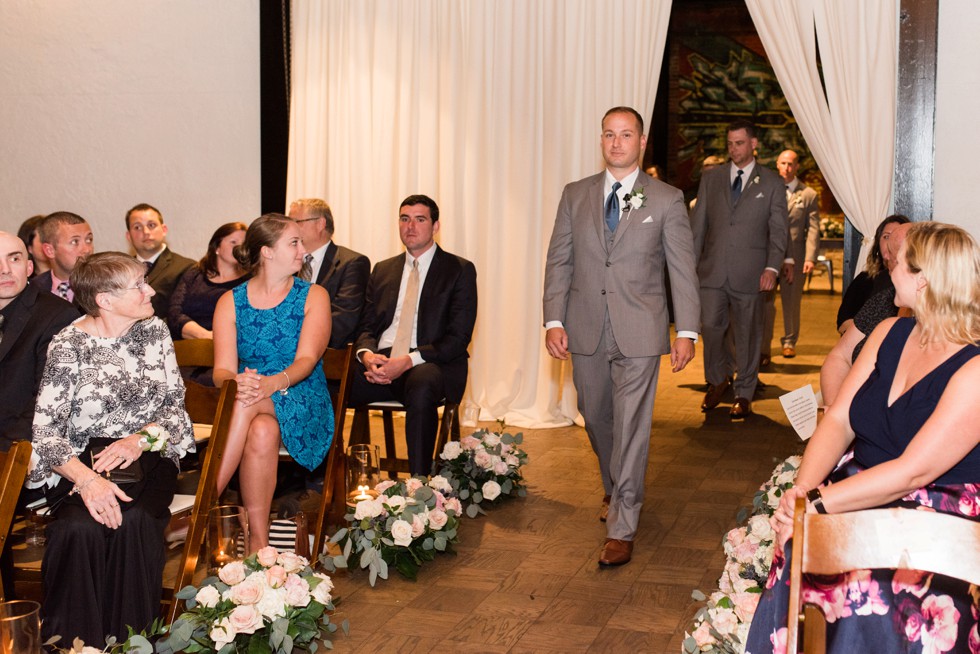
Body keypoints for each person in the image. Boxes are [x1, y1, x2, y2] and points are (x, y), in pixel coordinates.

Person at [745, 222, 980, 653]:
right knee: (794, 554)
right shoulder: (889, 332)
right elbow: (837, 421)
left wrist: (815, 507)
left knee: (863, 591)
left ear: (923, 278)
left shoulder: (975, 369)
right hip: (858, 487)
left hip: (932, 515)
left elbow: (914, 471)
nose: (889, 266)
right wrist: (800, 493)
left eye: (899, 262)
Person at [543, 107, 700, 567]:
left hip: (641, 329)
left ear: (641, 141)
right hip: (585, 325)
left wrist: (686, 331)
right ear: (601, 139)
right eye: (609, 135)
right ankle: (615, 486)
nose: (616, 143)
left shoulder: (667, 200)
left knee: (633, 425)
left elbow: (681, 269)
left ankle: (623, 525)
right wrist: (554, 319)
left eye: (625, 134)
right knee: (595, 414)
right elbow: (560, 261)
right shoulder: (576, 195)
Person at [27, 252, 195, 644]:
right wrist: (87, 481)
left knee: (134, 524)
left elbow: (175, 410)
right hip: (83, 462)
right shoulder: (67, 344)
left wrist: (140, 439)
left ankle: (133, 645)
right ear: (104, 299)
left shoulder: (154, 332)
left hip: (149, 455)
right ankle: (74, 648)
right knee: (76, 530)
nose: (149, 290)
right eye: (138, 284)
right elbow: (46, 431)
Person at [212, 214, 334, 552]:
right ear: (266, 252)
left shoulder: (314, 296)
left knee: (243, 401)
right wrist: (238, 381)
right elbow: (221, 370)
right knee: (261, 429)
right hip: (252, 395)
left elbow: (307, 362)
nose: (303, 250)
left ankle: (205, 498)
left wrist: (269, 384)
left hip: (300, 393)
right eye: (294, 243)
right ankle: (258, 542)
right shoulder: (229, 302)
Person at [351, 194, 477, 477]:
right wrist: (367, 355)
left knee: (422, 384)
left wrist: (407, 361)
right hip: (381, 361)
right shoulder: (383, 269)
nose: (411, 226)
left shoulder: (459, 270)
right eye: (404, 219)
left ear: (435, 226)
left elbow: (457, 338)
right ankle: (320, 481)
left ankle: (418, 487)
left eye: (420, 219)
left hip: (431, 363)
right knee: (326, 380)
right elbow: (367, 325)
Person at [691, 119, 788, 418]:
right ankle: (718, 380)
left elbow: (778, 230)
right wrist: (689, 269)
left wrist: (772, 267)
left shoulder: (771, 182)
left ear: (754, 144)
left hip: (751, 273)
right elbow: (699, 226)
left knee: (748, 334)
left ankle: (744, 391)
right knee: (710, 326)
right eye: (730, 143)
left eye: (740, 143)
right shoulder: (712, 178)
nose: (734, 149)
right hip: (713, 271)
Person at [0, 231, 79, 449]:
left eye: (14, 259)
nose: (5, 270)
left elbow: (45, 403)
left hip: (20, 450)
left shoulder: (57, 315)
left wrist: (5, 453)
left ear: (29, 267)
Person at [820, 222, 913, 406]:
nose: (887, 261)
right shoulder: (883, 302)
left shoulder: (943, 335)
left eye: (896, 259)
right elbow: (839, 357)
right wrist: (834, 410)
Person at [287, 198, 370, 349]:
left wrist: (297, 343)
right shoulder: (286, 262)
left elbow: (344, 319)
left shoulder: (352, 263)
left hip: (328, 353)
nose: (289, 229)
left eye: (296, 222)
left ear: (320, 224)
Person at [761, 150, 820, 360]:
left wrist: (810, 258)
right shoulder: (766, 190)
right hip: (768, 256)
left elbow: (813, 229)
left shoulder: (808, 194)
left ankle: (789, 341)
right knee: (765, 303)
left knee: (791, 301)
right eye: (783, 163)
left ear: (797, 167)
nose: (786, 168)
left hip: (795, 256)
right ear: (777, 165)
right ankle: (763, 348)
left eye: (791, 164)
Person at [168, 221, 248, 340]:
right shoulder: (195, 273)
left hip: (231, 346)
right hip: (188, 346)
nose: (239, 248)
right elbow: (174, 312)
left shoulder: (251, 281)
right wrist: (205, 336)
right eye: (233, 242)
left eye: (244, 244)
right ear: (217, 247)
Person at [835, 214, 910, 334]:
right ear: (877, 243)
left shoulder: (915, 282)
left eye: (896, 236)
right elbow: (843, 322)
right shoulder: (864, 280)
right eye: (886, 236)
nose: (890, 242)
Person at [125, 203, 195, 318]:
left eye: (151, 225)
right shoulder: (120, 271)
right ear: (128, 236)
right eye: (137, 227)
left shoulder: (187, 267)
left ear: (164, 230)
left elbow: (183, 315)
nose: (146, 232)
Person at [32, 211, 95, 304]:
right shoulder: (34, 288)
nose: (87, 249)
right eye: (75, 242)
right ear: (50, 250)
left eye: (89, 240)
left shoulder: (104, 284)